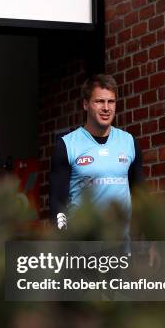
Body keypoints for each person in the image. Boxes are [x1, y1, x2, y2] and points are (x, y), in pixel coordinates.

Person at [49, 74, 145, 244]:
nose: (106, 108)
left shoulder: (129, 142)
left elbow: (141, 196)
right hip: (82, 246)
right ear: (86, 104)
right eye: (99, 101)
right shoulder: (67, 145)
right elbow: (58, 202)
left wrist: (150, 241)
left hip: (121, 246)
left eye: (111, 102)